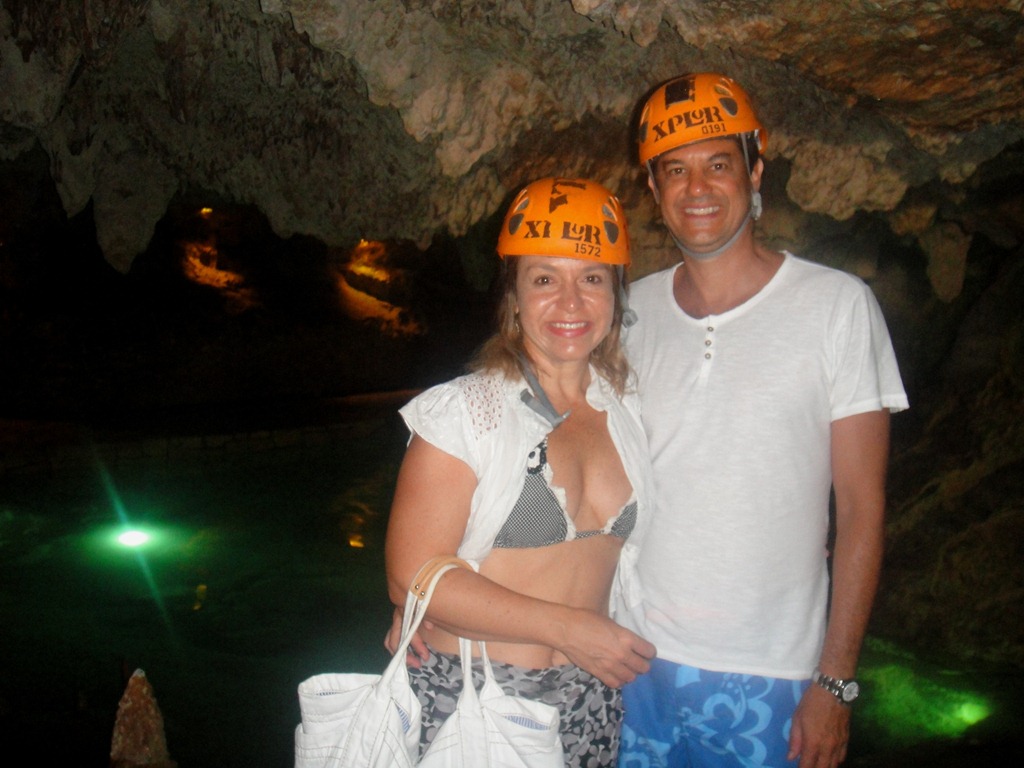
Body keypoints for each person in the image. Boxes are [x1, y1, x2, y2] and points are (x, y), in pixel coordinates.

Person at [616, 73, 909, 768]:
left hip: (771, 672)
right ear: (653, 188)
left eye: (718, 164)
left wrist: (835, 682)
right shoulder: (626, 314)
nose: (697, 188)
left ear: (754, 173)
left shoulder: (837, 307)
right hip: (629, 659)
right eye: (675, 170)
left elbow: (861, 508)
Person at [384, 177, 658, 767]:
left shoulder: (626, 408)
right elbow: (410, 581)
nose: (571, 303)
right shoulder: (466, 411)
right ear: (513, 296)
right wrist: (567, 629)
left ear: (616, 295)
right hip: (474, 700)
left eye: (592, 279)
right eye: (544, 279)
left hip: (590, 699)